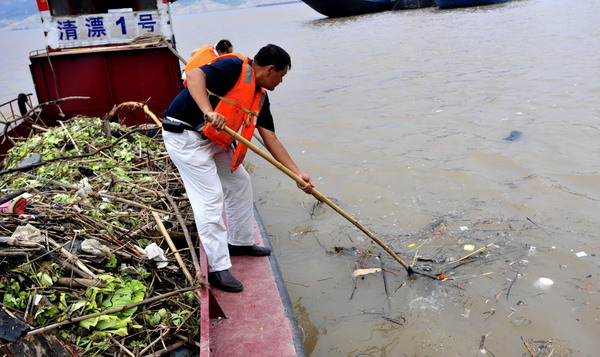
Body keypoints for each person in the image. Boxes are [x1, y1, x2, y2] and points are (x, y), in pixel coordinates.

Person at [162, 44, 314, 293]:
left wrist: (297, 174)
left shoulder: (260, 96)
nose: (281, 81)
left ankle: (240, 242)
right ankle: (218, 268)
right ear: (270, 69)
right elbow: (194, 75)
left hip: (212, 140)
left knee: (239, 182)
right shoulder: (233, 67)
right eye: (281, 76)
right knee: (210, 199)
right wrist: (208, 111)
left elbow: (270, 138)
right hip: (185, 137)